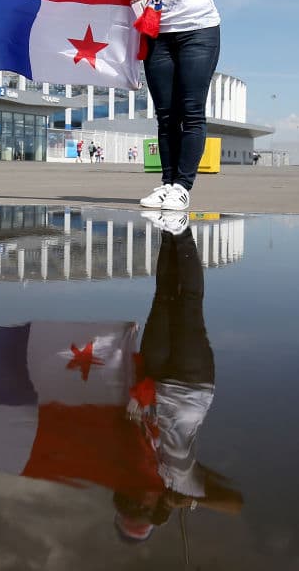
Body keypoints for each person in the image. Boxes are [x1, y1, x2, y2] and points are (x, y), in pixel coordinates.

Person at [124, 0, 254, 211]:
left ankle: (182, 187)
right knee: (166, 115)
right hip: (157, 35)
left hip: (198, 29)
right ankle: (166, 184)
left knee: (191, 110)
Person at [118, 224, 242, 543]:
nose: (137, 500)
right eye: (141, 508)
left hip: (154, 378)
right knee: (188, 300)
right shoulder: (181, 486)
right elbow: (235, 505)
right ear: (156, 507)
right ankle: (183, 232)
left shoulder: (124, 463)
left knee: (162, 296)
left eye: (128, 504)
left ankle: (168, 231)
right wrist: (191, 499)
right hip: (192, 385)